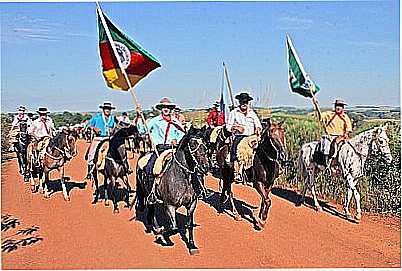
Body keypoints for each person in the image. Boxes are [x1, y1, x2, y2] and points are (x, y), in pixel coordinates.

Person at [145, 98, 187, 204]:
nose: (166, 109)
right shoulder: (154, 121)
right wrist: (139, 116)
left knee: (189, 166)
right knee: (150, 167)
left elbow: (182, 135)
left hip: (173, 149)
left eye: (168, 107)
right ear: (161, 109)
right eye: (164, 107)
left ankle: (197, 191)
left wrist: (176, 140)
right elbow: (142, 130)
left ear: (171, 109)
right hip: (159, 149)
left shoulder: (175, 121)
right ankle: (152, 193)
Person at [226, 93, 262, 182]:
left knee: (263, 148)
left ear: (248, 102)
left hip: (251, 137)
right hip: (240, 136)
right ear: (239, 102)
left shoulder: (252, 113)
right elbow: (228, 126)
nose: (244, 103)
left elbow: (258, 124)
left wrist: (258, 128)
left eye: (245, 102)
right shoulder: (234, 113)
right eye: (242, 101)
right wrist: (236, 127)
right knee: (237, 150)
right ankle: (237, 172)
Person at [317, 99, 353, 170]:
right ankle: (325, 163)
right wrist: (316, 106)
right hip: (330, 136)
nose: (338, 107)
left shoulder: (345, 117)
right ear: (335, 106)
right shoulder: (329, 114)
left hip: (341, 136)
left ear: (343, 108)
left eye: (340, 106)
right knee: (326, 148)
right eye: (337, 106)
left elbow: (348, 128)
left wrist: (345, 134)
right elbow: (320, 116)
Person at [85, 102, 118, 179]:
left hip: (109, 138)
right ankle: (90, 170)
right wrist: (94, 128)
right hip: (98, 138)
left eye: (109, 109)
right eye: (106, 109)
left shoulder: (112, 118)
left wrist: (112, 130)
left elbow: (115, 127)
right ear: (103, 109)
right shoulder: (97, 117)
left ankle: (124, 167)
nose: (108, 110)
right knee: (92, 153)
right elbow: (88, 125)